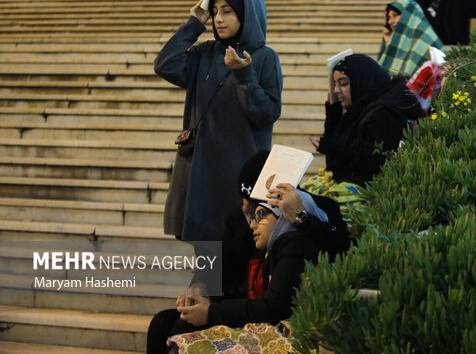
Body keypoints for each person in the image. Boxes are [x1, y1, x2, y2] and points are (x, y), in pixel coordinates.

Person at [146, 150, 349, 354]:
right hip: (238, 306)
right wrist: (198, 287)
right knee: (163, 323)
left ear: (276, 204)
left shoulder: (300, 233)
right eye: (244, 201)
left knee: (181, 335)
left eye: (256, 208)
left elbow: (341, 245)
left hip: (265, 317)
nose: (248, 215)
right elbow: (217, 263)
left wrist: (302, 217)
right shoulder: (239, 220)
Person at [154, 0, 283, 242]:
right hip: (199, 169)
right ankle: (204, 281)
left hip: (236, 171)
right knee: (204, 249)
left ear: (246, 15)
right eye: (214, 11)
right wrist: (194, 24)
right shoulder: (205, 53)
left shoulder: (264, 57)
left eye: (227, 11)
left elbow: (266, 113)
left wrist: (243, 74)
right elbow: (165, 65)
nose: (218, 19)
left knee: (234, 247)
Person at [307, 54, 425, 185]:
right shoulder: (362, 108)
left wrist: (331, 147)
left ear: (361, 81)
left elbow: (369, 165)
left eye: (343, 84)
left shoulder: (383, 114)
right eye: (335, 84)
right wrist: (333, 113)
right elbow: (336, 157)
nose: (336, 90)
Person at [378, 0, 444, 77]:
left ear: (408, 15)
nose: (390, 22)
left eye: (395, 15)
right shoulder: (400, 43)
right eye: (389, 17)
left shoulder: (426, 42)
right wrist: (388, 45)